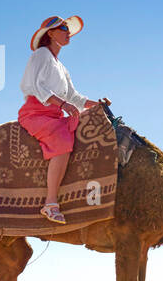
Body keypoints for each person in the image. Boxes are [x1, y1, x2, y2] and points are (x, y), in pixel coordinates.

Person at [17, 15, 108, 223]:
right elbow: (36, 86)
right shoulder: (41, 54)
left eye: (68, 29)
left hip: (56, 113)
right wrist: (62, 105)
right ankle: (50, 203)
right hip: (36, 113)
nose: (68, 33)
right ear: (50, 33)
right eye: (63, 29)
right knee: (62, 140)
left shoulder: (62, 67)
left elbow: (74, 97)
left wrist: (97, 106)